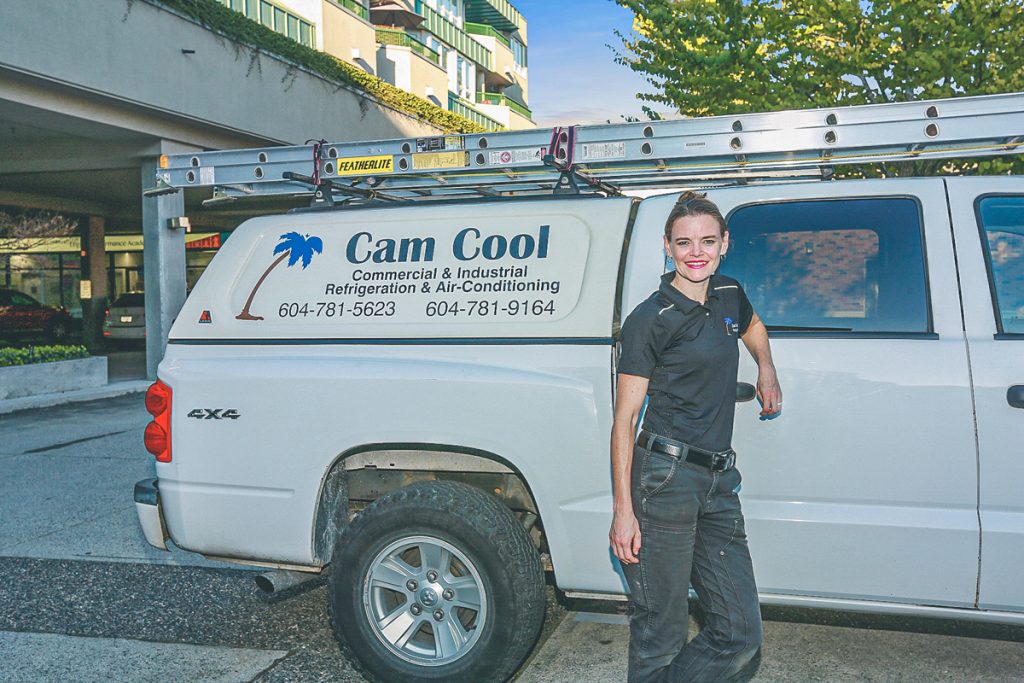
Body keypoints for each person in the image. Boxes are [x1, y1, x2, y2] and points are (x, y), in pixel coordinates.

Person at [609, 191, 782, 682]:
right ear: (667, 247)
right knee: (660, 631)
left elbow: (752, 326)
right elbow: (624, 421)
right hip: (664, 481)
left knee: (739, 633)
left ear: (725, 243)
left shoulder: (728, 293)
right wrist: (624, 511)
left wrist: (766, 368)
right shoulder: (650, 319)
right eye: (683, 243)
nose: (696, 252)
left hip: (720, 482)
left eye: (707, 240)